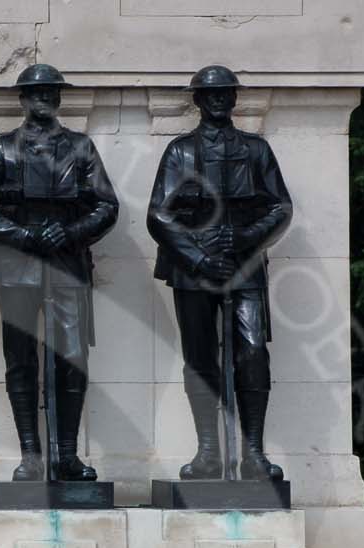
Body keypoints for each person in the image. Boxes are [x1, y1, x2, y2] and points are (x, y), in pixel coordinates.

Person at [0, 65, 118, 481]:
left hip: (66, 263)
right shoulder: (2, 150)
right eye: (35, 92)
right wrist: (23, 235)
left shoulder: (81, 148)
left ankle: (66, 454)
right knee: (20, 360)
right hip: (16, 266)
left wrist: (68, 232)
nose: (43, 98)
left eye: (50, 91)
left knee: (72, 357)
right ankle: (31, 453)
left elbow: (106, 206)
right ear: (22, 98)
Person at [146, 64, 293, 480]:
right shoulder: (180, 152)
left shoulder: (255, 150)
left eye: (225, 93)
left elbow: (280, 207)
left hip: (244, 266)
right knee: (200, 356)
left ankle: (253, 454)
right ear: (197, 100)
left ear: (234, 97)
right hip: (193, 269)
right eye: (210, 94)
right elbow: (159, 216)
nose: (218, 100)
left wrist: (248, 238)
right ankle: (209, 451)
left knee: (252, 354)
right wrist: (198, 257)